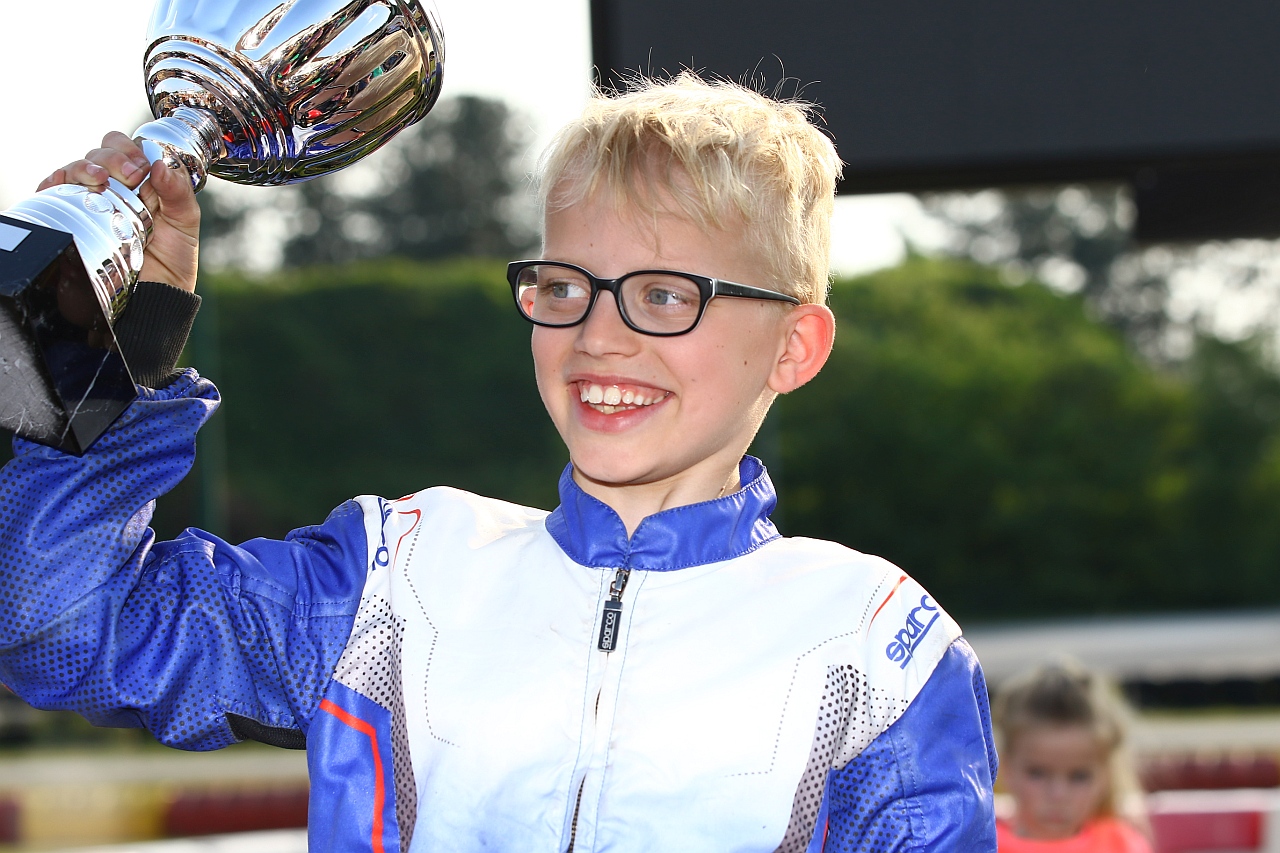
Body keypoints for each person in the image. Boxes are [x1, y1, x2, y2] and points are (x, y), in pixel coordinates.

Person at [0, 73, 997, 851]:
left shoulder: (875, 649)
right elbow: (59, 623)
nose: (598, 334)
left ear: (794, 346)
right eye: (565, 286)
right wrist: (117, 346)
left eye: (663, 295)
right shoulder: (395, 580)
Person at [994, 661, 1152, 853]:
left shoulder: (1122, 844)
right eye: (1037, 773)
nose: (1058, 795)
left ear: (1106, 774)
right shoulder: (981, 845)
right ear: (1006, 767)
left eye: (1079, 776)